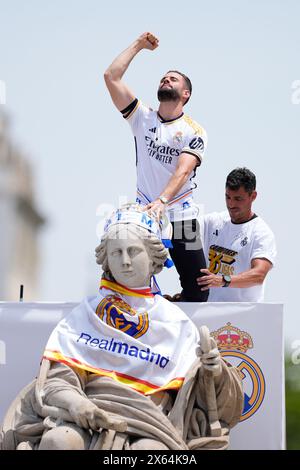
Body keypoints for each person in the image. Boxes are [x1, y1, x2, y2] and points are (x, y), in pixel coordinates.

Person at [0, 204, 243, 451]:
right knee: (58, 440)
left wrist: (214, 371)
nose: (125, 261)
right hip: (87, 416)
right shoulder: (88, 313)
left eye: (133, 251)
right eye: (116, 252)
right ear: (106, 258)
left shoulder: (175, 321)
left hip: (151, 424)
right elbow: (58, 380)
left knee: (151, 452)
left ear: (153, 258)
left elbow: (210, 399)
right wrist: (76, 403)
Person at [104, 32, 208, 302]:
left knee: (198, 291)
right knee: (123, 278)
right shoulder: (142, 117)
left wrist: (164, 200)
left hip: (180, 216)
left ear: (185, 94)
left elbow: (183, 171)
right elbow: (111, 77)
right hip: (145, 214)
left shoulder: (193, 131)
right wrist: (138, 45)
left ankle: (172, 317)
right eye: (163, 77)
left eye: (173, 79)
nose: (165, 80)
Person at [197, 168, 277, 302]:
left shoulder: (261, 233)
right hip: (209, 312)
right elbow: (183, 228)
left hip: (243, 317)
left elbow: (259, 275)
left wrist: (223, 280)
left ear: (253, 196)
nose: (231, 204)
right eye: (227, 197)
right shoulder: (213, 221)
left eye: (238, 199)